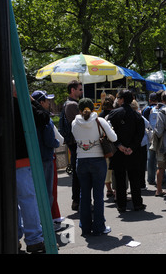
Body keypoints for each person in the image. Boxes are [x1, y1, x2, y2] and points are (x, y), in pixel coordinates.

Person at [72, 98, 117, 235]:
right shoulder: (100, 121)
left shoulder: (75, 123)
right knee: (98, 194)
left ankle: (85, 227)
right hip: (98, 160)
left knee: (84, 194)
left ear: (79, 110)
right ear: (93, 108)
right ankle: (99, 226)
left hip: (81, 160)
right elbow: (114, 138)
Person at [14, 82, 48, 253]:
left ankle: (14, 238)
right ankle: (34, 238)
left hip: (5, 163)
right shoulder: (23, 105)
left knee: (12, 204)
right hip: (23, 159)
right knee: (28, 200)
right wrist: (31, 100)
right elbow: (44, 118)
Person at [108, 89, 146, 213]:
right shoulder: (137, 115)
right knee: (134, 178)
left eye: (118, 98)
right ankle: (137, 203)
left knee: (120, 179)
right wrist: (132, 147)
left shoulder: (114, 114)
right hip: (133, 152)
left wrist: (119, 145)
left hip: (119, 151)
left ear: (122, 99)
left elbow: (109, 132)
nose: (117, 100)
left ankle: (121, 205)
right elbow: (140, 134)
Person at [31, 90, 60, 210]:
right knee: (46, 191)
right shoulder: (44, 119)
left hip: (33, 158)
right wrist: (57, 143)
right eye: (47, 100)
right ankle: (47, 224)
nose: (49, 103)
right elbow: (50, 141)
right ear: (41, 102)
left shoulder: (30, 117)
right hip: (46, 157)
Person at [63, 80, 83, 211]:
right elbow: (80, 124)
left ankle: (77, 201)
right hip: (75, 143)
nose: (81, 91)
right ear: (72, 90)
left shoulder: (70, 103)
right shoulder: (72, 105)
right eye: (79, 89)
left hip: (74, 143)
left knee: (78, 173)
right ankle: (77, 201)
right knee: (78, 173)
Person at [99, 94, 115, 198]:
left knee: (106, 167)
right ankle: (114, 189)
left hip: (103, 145)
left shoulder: (100, 115)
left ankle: (108, 189)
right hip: (113, 144)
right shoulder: (115, 114)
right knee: (113, 168)